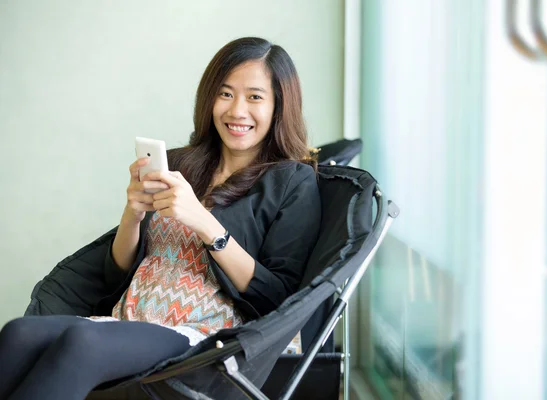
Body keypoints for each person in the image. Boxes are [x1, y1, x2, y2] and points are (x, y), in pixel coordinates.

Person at [0, 36, 321, 400]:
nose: (237, 111)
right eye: (226, 93)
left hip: (201, 335)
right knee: (18, 333)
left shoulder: (293, 180)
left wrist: (205, 223)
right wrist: (132, 215)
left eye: (255, 97)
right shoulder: (183, 163)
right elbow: (116, 275)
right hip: (130, 319)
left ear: (279, 105)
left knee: (82, 342)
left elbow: (279, 296)